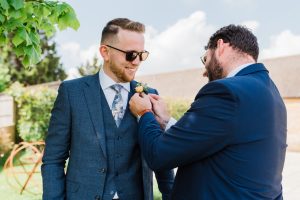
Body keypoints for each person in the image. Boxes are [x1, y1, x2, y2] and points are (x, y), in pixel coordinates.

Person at [129, 24, 287, 199]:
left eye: (205, 59)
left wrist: (144, 113)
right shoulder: (271, 92)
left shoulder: (226, 91)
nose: (205, 71)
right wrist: (167, 121)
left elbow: (158, 155)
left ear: (220, 47)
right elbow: (216, 139)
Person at [42, 18, 174, 200]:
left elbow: (161, 156)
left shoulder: (149, 96)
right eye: (130, 54)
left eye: (141, 55)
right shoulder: (72, 92)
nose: (136, 62)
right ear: (105, 52)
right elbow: (53, 160)